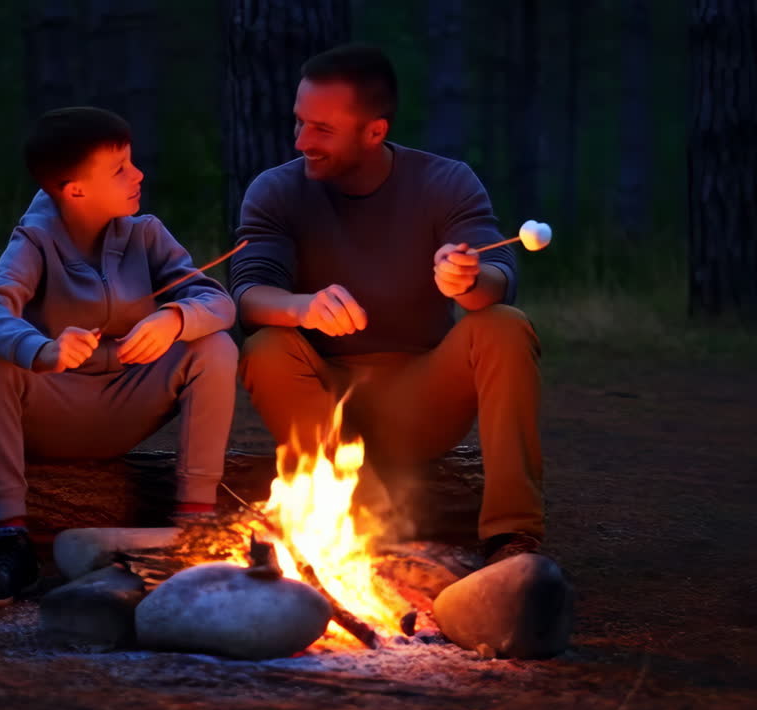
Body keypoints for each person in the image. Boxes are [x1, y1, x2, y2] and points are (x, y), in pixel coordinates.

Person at [229, 45, 544, 565]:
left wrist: (465, 279)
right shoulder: (277, 191)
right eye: (299, 123)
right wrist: (303, 306)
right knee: (266, 344)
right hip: (319, 400)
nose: (302, 141)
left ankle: (514, 538)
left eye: (322, 129)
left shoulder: (445, 183)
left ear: (374, 131)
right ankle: (367, 524)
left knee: (505, 326)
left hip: (420, 400)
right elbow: (247, 296)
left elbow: (498, 281)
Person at [0, 107, 237, 607]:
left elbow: (217, 302)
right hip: (53, 410)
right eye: (120, 169)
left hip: (127, 401)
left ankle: (196, 529)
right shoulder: (35, 240)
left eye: (132, 162)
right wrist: (42, 349)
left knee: (214, 345)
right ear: (75, 189)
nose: (139, 174)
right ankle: (9, 542)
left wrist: (173, 319)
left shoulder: (145, 233)